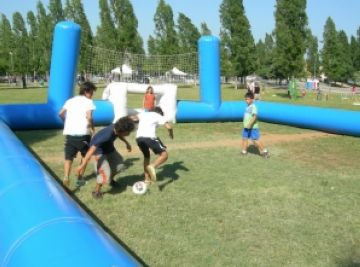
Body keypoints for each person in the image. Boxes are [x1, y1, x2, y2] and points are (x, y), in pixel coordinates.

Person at [76, 116, 135, 199]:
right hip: (98, 152)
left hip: (109, 149)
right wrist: (82, 165)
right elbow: (91, 150)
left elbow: (119, 135)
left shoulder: (117, 128)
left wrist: (127, 143)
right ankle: (96, 191)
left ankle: (110, 181)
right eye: (128, 132)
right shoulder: (107, 135)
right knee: (104, 173)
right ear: (122, 131)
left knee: (120, 165)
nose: (129, 133)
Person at [58, 81, 97, 188]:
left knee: (68, 157)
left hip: (70, 134)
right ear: (86, 91)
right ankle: (79, 178)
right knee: (85, 156)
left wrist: (66, 122)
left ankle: (66, 177)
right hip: (83, 134)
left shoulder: (70, 101)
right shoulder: (89, 102)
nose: (92, 95)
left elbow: (60, 113)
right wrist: (92, 128)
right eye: (92, 92)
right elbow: (89, 117)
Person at [134, 106, 174, 184]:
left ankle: (147, 179)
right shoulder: (157, 115)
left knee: (146, 156)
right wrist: (171, 134)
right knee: (164, 155)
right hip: (149, 138)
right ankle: (152, 166)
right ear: (159, 113)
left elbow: (133, 118)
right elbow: (169, 127)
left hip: (139, 139)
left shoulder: (144, 114)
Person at [241, 91, 269, 158]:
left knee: (255, 140)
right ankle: (244, 151)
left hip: (253, 127)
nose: (246, 100)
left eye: (247, 99)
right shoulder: (247, 107)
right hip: (246, 127)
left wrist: (250, 124)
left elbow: (255, 116)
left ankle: (265, 151)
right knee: (244, 138)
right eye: (245, 99)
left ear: (252, 100)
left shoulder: (253, 107)